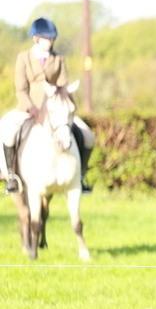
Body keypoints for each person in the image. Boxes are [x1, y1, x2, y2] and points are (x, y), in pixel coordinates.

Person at [2, 17, 96, 194]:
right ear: (36, 38)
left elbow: (63, 86)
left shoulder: (58, 58)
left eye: (52, 39)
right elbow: (21, 89)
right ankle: (12, 177)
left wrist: (66, 106)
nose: (50, 42)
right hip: (29, 108)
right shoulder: (23, 58)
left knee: (88, 136)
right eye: (46, 38)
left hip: (57, 111)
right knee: (8, 134)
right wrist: (32, 109)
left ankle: (81, 177)